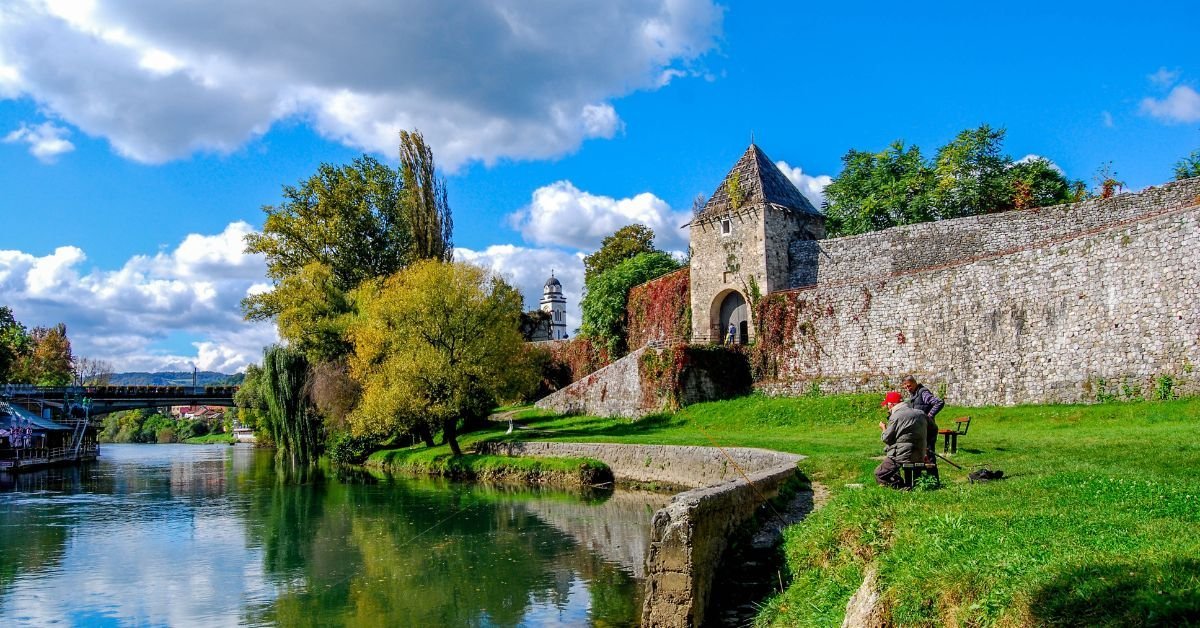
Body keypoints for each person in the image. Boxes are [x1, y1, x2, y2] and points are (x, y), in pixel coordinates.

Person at [874, 391, 927, 488]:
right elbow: (934, 429)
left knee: (879, 473)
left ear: (891, 405)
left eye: (887, 404)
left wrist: (883, 428)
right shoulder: (920, 413)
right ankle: (906, 486)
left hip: (902, 455)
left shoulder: (896, 416)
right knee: (894, 470)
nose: (887, 407)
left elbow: (886, 438)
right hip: (920, 453)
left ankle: (901, 488)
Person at [903, 376, 944, 459]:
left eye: (909, 386)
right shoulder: (914, 395)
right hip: (919, 429)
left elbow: (939, 402)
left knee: (929, 454)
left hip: (928, 429)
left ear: (915, 383)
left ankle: (932, 472)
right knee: (919, 455)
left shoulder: (923, 393)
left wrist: (929, 417)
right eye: (906, 387)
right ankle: (919, 471)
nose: (908, 388)